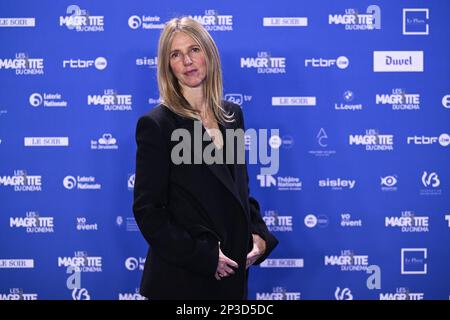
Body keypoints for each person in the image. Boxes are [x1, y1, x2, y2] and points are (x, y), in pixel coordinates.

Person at [133, 17, 278, 300]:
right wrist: (205, 257)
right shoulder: (158, 124)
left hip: (231, 278)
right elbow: (148, 211)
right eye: (176, 54)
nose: (187, 60)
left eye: (194, 49)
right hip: (182, 280)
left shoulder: (232, 116)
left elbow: (240, 190)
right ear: (168, 67)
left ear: (209, 54)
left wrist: (259, 234)